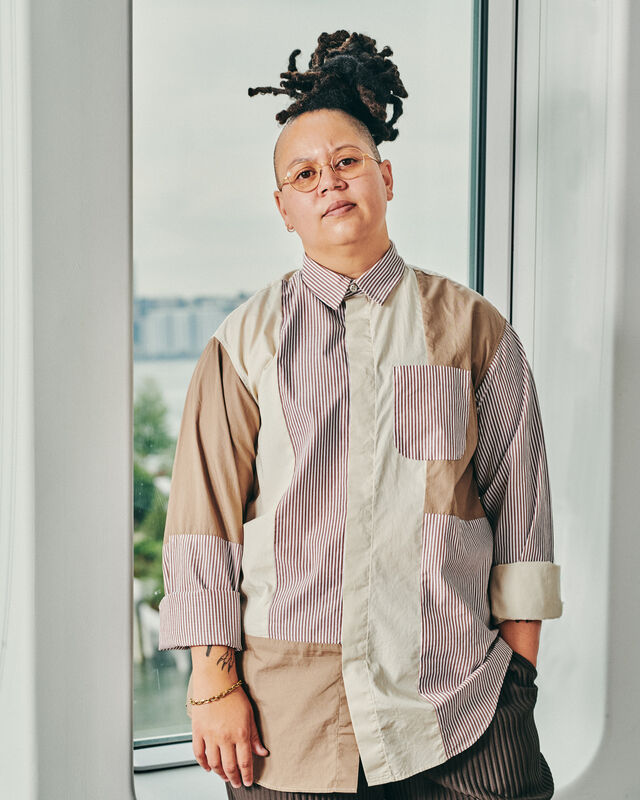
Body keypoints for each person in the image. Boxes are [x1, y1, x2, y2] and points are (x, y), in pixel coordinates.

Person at [157, 30, 563, 800]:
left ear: (384, 175)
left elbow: (523, 511)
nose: (329, 182)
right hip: (288, 720)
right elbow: (201, 525)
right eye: (304, 174)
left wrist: (520, 672)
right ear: (283, 208)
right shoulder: (243, 343)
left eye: (347, 162)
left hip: (462, 705)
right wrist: (213, 685)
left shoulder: (475, 329)